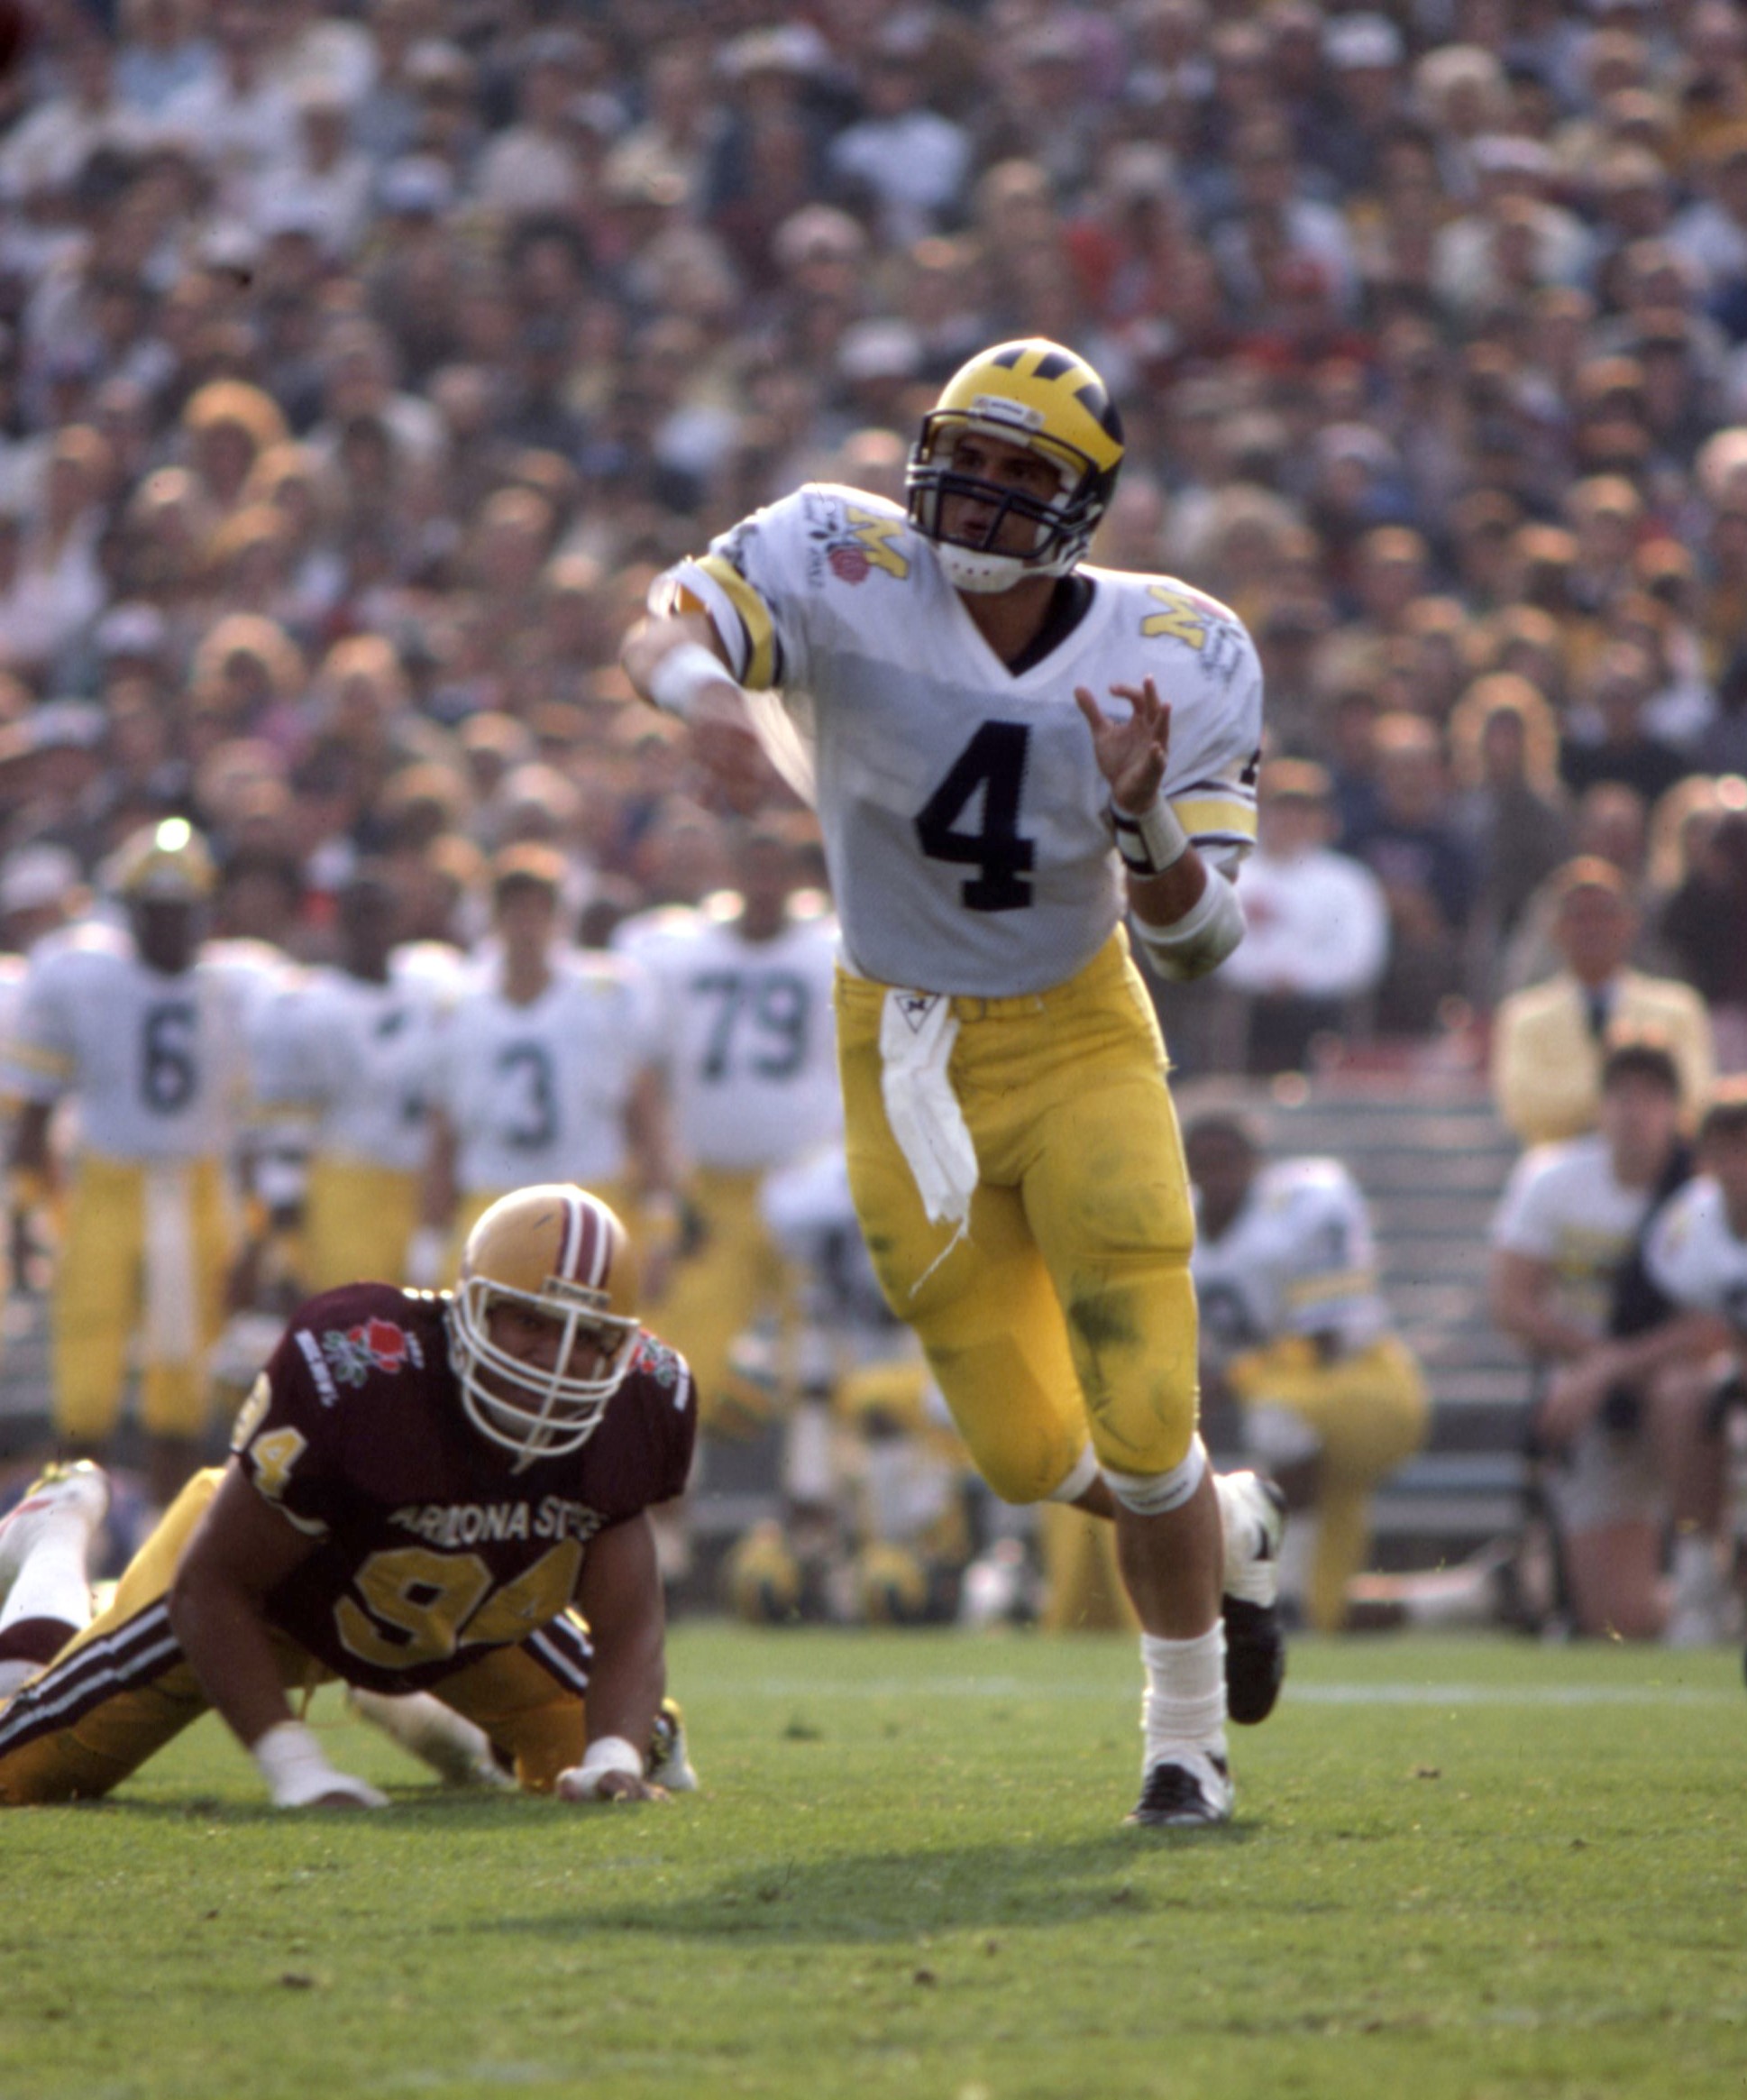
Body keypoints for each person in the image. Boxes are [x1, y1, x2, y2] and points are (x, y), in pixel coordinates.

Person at [622, 335, 1281, 1827]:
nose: (978, 498)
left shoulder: (1181, 645)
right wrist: (700, 699)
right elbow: (661, 616)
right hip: (896, 1046)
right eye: (964, 460)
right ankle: (1225, 1517)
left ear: (1082, 504)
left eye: (1018, 474)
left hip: (1076, 1034)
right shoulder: (830, 551)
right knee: (1028, 1452)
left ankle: (1183, 1746)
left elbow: (1199, 946)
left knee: (1143, 1397)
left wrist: (1140, 821)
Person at [0, 1185, 697, 1808]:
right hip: (267, 1598)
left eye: (588, 1335)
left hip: (463, 1606)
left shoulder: (638, 1405)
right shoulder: (364, 1370)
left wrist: (612, 1757)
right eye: (530, 1321)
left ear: (621, 1347)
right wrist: (297, 1769)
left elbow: (631, 1622)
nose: (556, 1354)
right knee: (17, 1773)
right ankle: (56, 1530)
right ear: (471, 1310)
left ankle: (432, 1721)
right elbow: (211, 1586)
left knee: (645, 1747)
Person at [1, 819, 279, 1509]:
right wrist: (28, 1207)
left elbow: (255, 1130)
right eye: (155, 911)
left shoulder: (242, 983)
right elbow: (35, 1111)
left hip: (197, 1186)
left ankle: (166, 1535)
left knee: (182, 1380)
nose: (169, 927)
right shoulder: (81, 972)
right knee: (82, 1377)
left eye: (181, 911)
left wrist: (257, 1234)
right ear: (128, 911)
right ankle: (69, 1528)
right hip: (104, 1181)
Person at [1490, 1041, 1734, 1643]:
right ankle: (1703, 1605)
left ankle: (1705, 1575)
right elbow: (1510, 1302)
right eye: (1621, 1094)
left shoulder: (1703, 1193)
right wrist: (1598, 1365)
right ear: (1599, 1105)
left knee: (1683, 1395)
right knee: (1618, 1624)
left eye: (1652, 1096)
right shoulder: (1552, 1178)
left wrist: (1607, 1365)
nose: (1634, 1111)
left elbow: (1720, 1322)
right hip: (1597, 1406)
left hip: (1694, 1397)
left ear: (1676, 1109)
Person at [612, 820, 843, 1433]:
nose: (764, 883)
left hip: (809, 1183)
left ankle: (820, 1515)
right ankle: (671, 1518)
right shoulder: (674, 949)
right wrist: (664, 1187)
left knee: (827, 1370)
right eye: (754, 868)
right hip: (711, 1191)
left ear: (796, 877)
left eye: (776, 869)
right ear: (731, 872)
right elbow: (643, 1074)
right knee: (680, 1367)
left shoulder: (835, 948)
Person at [1184, 1109, 1430, 1633]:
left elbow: (1327, 1339)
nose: (1215, 1175)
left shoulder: (1306, 1201)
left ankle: (1280, 1596)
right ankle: (1458, 1603)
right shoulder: (1177, 1221)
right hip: (1282, 1387)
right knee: (1329, 1609)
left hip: (1360, 1382)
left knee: (1277, 1419)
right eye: (1201, 1163)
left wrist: (1227, 1381)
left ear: (1256, 1162)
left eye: (1227, 1160)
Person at [416, 846, 678, 1274]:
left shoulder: (607, 995)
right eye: (515, 911)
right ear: (494, 918)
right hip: (492, 1199)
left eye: (539, 910)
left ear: (560, 918)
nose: (527, 926)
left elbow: (644, 1114)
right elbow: (444, 1135)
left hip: (590, 1198)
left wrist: (659, 1218)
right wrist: (428, 1238)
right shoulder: (458, 1006)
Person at [249, 862, 455, 1294]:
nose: (372, 928)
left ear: (400, 920)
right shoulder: (304, 1005)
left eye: (381, 915)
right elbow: (285, 1128)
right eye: (361, 916)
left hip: (423, 1186)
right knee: (356, 1323)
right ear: (339, 923)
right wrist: (284, 1233)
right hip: (347, 1186)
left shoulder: (436, 984)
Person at [1491, 857, 1715, 1148]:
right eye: (1579, 916)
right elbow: (1524, 1108)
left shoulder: (1678, 1007)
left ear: (1630, 924)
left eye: (1605, 914)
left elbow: (1694, 1097)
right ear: (1555, 929)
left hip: (1657, 1175)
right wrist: (1630, 1093)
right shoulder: (1523, 1015)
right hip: (1559, 1175)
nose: (1593, 928)